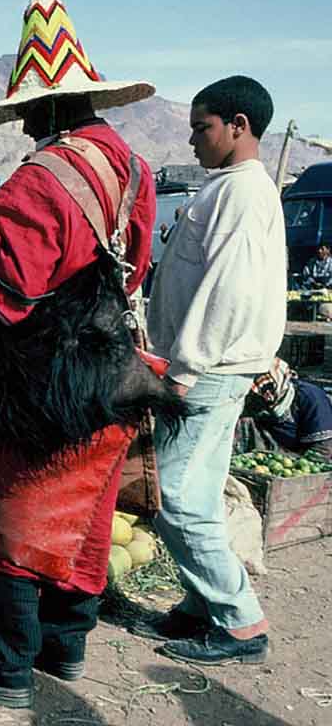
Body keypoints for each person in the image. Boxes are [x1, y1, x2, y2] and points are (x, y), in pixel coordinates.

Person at [0, 0, 168, 708]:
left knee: (12, 514)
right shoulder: (135, 167)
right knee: (87, 515)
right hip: (111, 367)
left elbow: (9, 294)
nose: (25, 124)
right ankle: (66, 647)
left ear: (54, 108)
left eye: (30, 111)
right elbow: (134, 265)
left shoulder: (41, 179)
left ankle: (6, 671)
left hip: (45, 382)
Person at [143, 75, 284, 665]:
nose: (194, 140)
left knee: (175, 496)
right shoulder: (225, 187)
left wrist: (184, 368)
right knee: (193, 490)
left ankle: (240, 622)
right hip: (209, 366)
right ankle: (203, 603)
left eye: (202, 128)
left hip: (210, 368)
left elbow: (229, 289)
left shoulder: (244, 194)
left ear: (237, 126)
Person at [237, 358, 332, 459]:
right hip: (272, 456)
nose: (266, 397)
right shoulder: (254, 401)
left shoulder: (311, 397)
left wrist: (295, 464)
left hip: (304, 459)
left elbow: (323, 449)